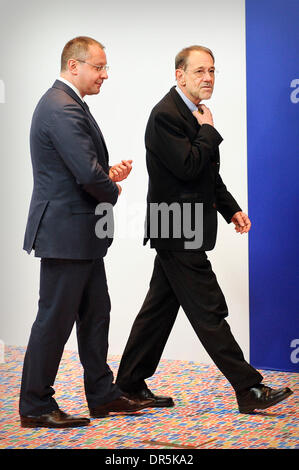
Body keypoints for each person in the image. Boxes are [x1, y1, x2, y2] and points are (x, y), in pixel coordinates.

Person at [116, 45, 293, 414]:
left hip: (183, 228)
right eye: (199, 71)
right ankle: (249, 388)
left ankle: (129, 384)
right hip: (177, 229)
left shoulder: (195, 113)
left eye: (212, 70)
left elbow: (207, 174)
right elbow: (187, 166)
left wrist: (231, 209)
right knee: (208, 310)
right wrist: (208, 129)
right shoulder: (166, 115)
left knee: (158, 311)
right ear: (179, 75)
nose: (208, 77)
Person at [19, 36, 150, 428]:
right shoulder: (61, 107)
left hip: (80, 234)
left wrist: (105, 177)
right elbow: (86, 174)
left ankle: (102, 395)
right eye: (98, 67)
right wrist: (112, 186)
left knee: (96, 315)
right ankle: (36, 405)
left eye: (105, 67)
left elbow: (80, 170)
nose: (104, 74)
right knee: (54, 321)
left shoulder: (67, 104)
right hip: (65, 234)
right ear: (74, 66)